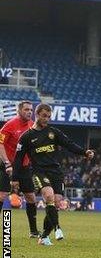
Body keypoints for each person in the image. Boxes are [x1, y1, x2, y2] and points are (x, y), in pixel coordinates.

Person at [11, 103, 94, 246]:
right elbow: (18, 159)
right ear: (37, 115)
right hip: (38, 171)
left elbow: (69, 144)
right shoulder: (27, 137)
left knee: (56, 202)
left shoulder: (53, 132)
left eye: (49, 117)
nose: (46, 119)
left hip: (56, 172)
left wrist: (84, 152)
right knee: (48, 196)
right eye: (44, 116)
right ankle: (58, 228)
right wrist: (15, 178)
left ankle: (43, 236)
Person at [0, 100, 39, 238]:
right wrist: (6, 163)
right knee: (2, 195)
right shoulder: (10, 125)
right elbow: (0, 144)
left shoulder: (32, 126)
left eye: (31, 110)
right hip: (7, 166)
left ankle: (34, 231)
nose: (29, 112)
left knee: (31, 198)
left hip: (23, 168)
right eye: (26, 109)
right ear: (19, 111)